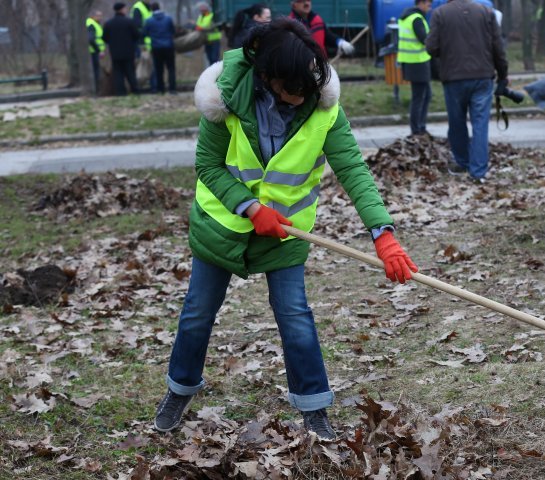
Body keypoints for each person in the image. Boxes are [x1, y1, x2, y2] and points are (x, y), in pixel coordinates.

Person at [152, 18, 418, 440]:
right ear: (267, 78)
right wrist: (251, 207)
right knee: (198, 314)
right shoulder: (222, 100)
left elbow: (352, 169)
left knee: (295, 316)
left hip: (288, 233)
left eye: (307, 90)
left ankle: (313, 407)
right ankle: (179, 389)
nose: (300, 100)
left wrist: (382, 233)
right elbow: (208, 165)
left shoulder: (322, 104)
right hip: (221, 225)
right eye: (292, 92)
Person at [425, 0, 508, 183]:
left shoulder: (440, 14)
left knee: (457, 122)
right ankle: (478, 172)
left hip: (453, 77)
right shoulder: (486, 12)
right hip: (482, 76)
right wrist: (503, 75)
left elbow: (431, 47)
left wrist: (447, 52)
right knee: (480, 124)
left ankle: (462, 162)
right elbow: (498, 47)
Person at [398, 0, 433, 136]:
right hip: (417, 63)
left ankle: (420, 127)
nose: (429, 9)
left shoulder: (407, 17)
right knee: (419, 97)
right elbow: (425, 39)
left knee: (426, 95)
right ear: (422, 3)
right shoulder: (416, 19)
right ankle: (417, 129)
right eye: (429, 5)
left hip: (412, 62)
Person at [289, 0, 355, 58]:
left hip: (321, 64)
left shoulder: (317, 19)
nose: (306, 3)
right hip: (301, 67)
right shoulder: (290, 25)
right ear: (294, 4)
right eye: (302, 1)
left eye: (308, 0)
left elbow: (327, 36)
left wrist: (340, 42)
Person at [103, 2, 141, 96]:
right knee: (130, 72)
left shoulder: (108, 23)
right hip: (128, 51)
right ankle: (135, 90)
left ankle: (120, 92)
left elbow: (105, 38)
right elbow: (136, 35)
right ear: (122, 9)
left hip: (115, 52)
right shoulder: (129, 22)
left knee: (118, 73)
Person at [143, 2, 176, 94]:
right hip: (169, 46)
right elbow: (173, 31)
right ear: (159, 8)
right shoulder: (168, 18)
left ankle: (161, 89)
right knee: (171, 68)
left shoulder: (149, 21)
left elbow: (145, 33)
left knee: (158, 69)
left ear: (151, 9)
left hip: (156, 47)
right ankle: (172, 89)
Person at [86, 10, 105, 94]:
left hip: (94, 51)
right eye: (98, 16)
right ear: (93, 16)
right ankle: (96, 90)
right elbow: (91, 39)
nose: (100, 18)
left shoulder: (93, 24)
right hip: (94, 52)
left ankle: (97, 90)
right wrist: (99, 50)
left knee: (96, 71)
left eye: (101, 15)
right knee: (95, 71)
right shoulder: (92, 25)